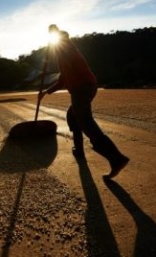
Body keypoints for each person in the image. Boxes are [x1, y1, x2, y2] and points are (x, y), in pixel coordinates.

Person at [39, 25, 129, 178]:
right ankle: (79, 150)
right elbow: (62, 80)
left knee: (86, 122)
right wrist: (46, 92)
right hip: (85, 87)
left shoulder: (67, 49)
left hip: (82, 88)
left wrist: (54, 32)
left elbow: (64, 46)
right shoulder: (64, 53)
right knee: (72, 116)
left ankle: (116, 159)